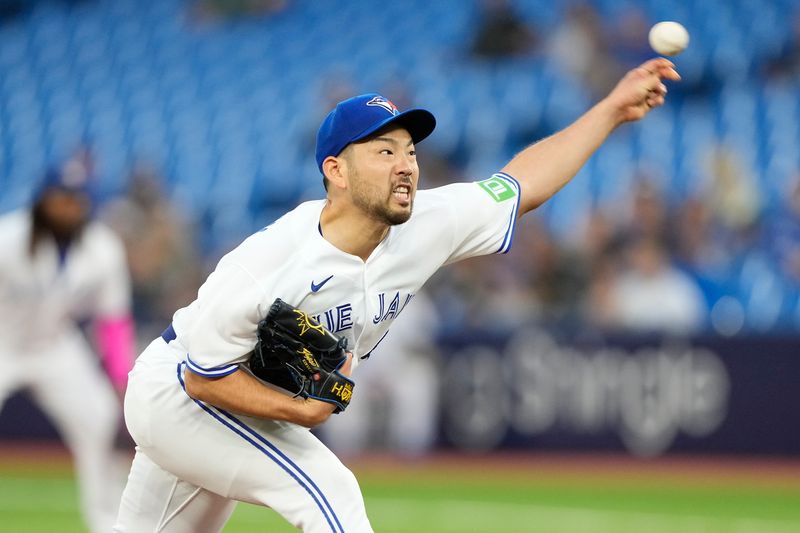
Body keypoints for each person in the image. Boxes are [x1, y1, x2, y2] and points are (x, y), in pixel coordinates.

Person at [113, 57, 680, 532]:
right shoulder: (271, 259)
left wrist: (610, 110)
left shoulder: (427, 222)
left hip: (228, 399)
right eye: (384, 152)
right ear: (336, 170)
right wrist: (299, 410)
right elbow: (201, 375)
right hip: (182, 393)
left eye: (409, 151)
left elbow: (521, 186)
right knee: (330, 491)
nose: (406, 165)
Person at [0, 168, 135, 533]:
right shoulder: (7, 238)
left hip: (53, 344)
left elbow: (112, 321)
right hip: (3, 343)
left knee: (97, 415)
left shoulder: (101, 247)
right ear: (41, 201)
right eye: (60, 198)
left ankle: (107, 522)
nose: (68, 207)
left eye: (76, 200)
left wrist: (122, 378)